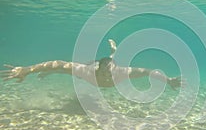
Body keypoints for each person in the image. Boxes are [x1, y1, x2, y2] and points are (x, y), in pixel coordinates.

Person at [0, 39, 182, 89]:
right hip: (89, 68)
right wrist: (27, 70)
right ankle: (111, 53)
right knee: (62, 71)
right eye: (105, 73)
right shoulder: (88, 72)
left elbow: (149, 72)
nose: (108, 77)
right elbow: (57, 63)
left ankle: (113, 51)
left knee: (111, 58)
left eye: (111, 73)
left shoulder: (122, 72)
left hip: (105, 63)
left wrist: (169, 80)